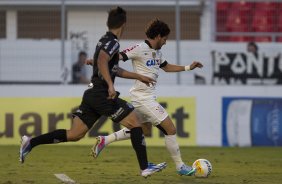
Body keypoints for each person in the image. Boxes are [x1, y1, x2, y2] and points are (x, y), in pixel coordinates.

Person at [19, 7, 167, 178]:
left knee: (74, 134)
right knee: (135, 122)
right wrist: (110, 85)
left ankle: (30, 143)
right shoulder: (112, 42)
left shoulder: (103, 40)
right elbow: (103, 60)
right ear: (123, 24)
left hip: (91, 94)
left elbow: (113, 68)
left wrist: (139, 76)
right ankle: (145, 167)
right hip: (102, 94)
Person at [88, 19, 203, 176]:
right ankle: (180, 166)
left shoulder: (158, 52)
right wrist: (95, 61)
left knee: (142, 129)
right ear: (157, 36)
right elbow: (117, 57)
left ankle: (105, 140)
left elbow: (167, 67)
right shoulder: (139, 48)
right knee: (171, 128)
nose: (165, 42)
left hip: (147, 97)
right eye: (165, 39)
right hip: (142, 98)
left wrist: (189, 67)